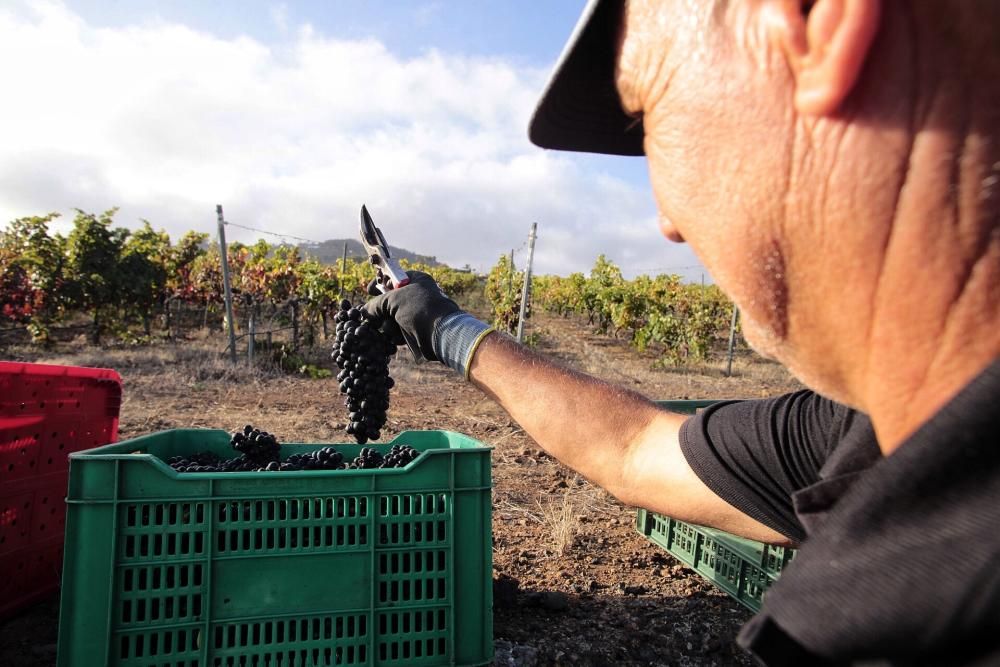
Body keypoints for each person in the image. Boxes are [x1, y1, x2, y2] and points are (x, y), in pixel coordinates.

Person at [363, 0, 1000, 664]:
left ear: (821, 28)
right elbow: (634, 447)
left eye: (645, 115)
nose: (666, 218)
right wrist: (449, 329)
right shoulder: (861, 434)